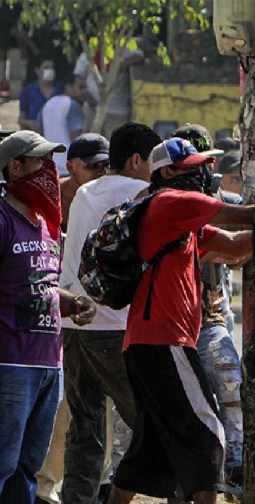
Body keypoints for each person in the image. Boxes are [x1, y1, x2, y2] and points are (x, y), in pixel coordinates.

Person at [107, 137, 255, 503]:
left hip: (150, 343)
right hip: (163, 341)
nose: (204, 174)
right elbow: (245, 215)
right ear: (169, 172)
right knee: (208, 434)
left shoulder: (177, 221)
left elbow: (235, 246)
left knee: (149, 449)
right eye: (195, 168)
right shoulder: (170, 201)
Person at [58, 123, 161, 504]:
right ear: (137, 160)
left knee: (84, 431)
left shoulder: (84, 191)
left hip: (74, 323)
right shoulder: (144, 192)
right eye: (152, 161)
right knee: (152, 425)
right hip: (114, 327)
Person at [0, 130, 96, 504]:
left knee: (28, 469)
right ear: (14, 166)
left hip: (47, 364)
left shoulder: (45, 225)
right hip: (10, 363)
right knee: (3, 464)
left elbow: (42, 284)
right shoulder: (4, 218)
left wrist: (72, 302)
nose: (49, 169)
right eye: (40, 160)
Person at [170, 123, 245, 497]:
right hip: (176, 323)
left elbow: (239, 241)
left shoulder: (221, 203)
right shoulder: (163, 201)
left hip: (212, 319)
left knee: (230, 385)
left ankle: (234, 466)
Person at [37, 73, 88, 177]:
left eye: (85, 87)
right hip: (68, 167)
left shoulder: (48, 104)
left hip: (50, 165)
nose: (84, 91)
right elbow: (76, 140)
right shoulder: (73, 106)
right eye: (81, 87)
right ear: (68, 87)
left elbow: (39, 131)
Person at [18, 57, 63, 132]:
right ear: (37, 70)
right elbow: (21, 119)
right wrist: (30, 123)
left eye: (52, 67)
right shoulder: (28, 91)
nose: (50, 70)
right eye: (46, 67)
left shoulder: (60, 89)